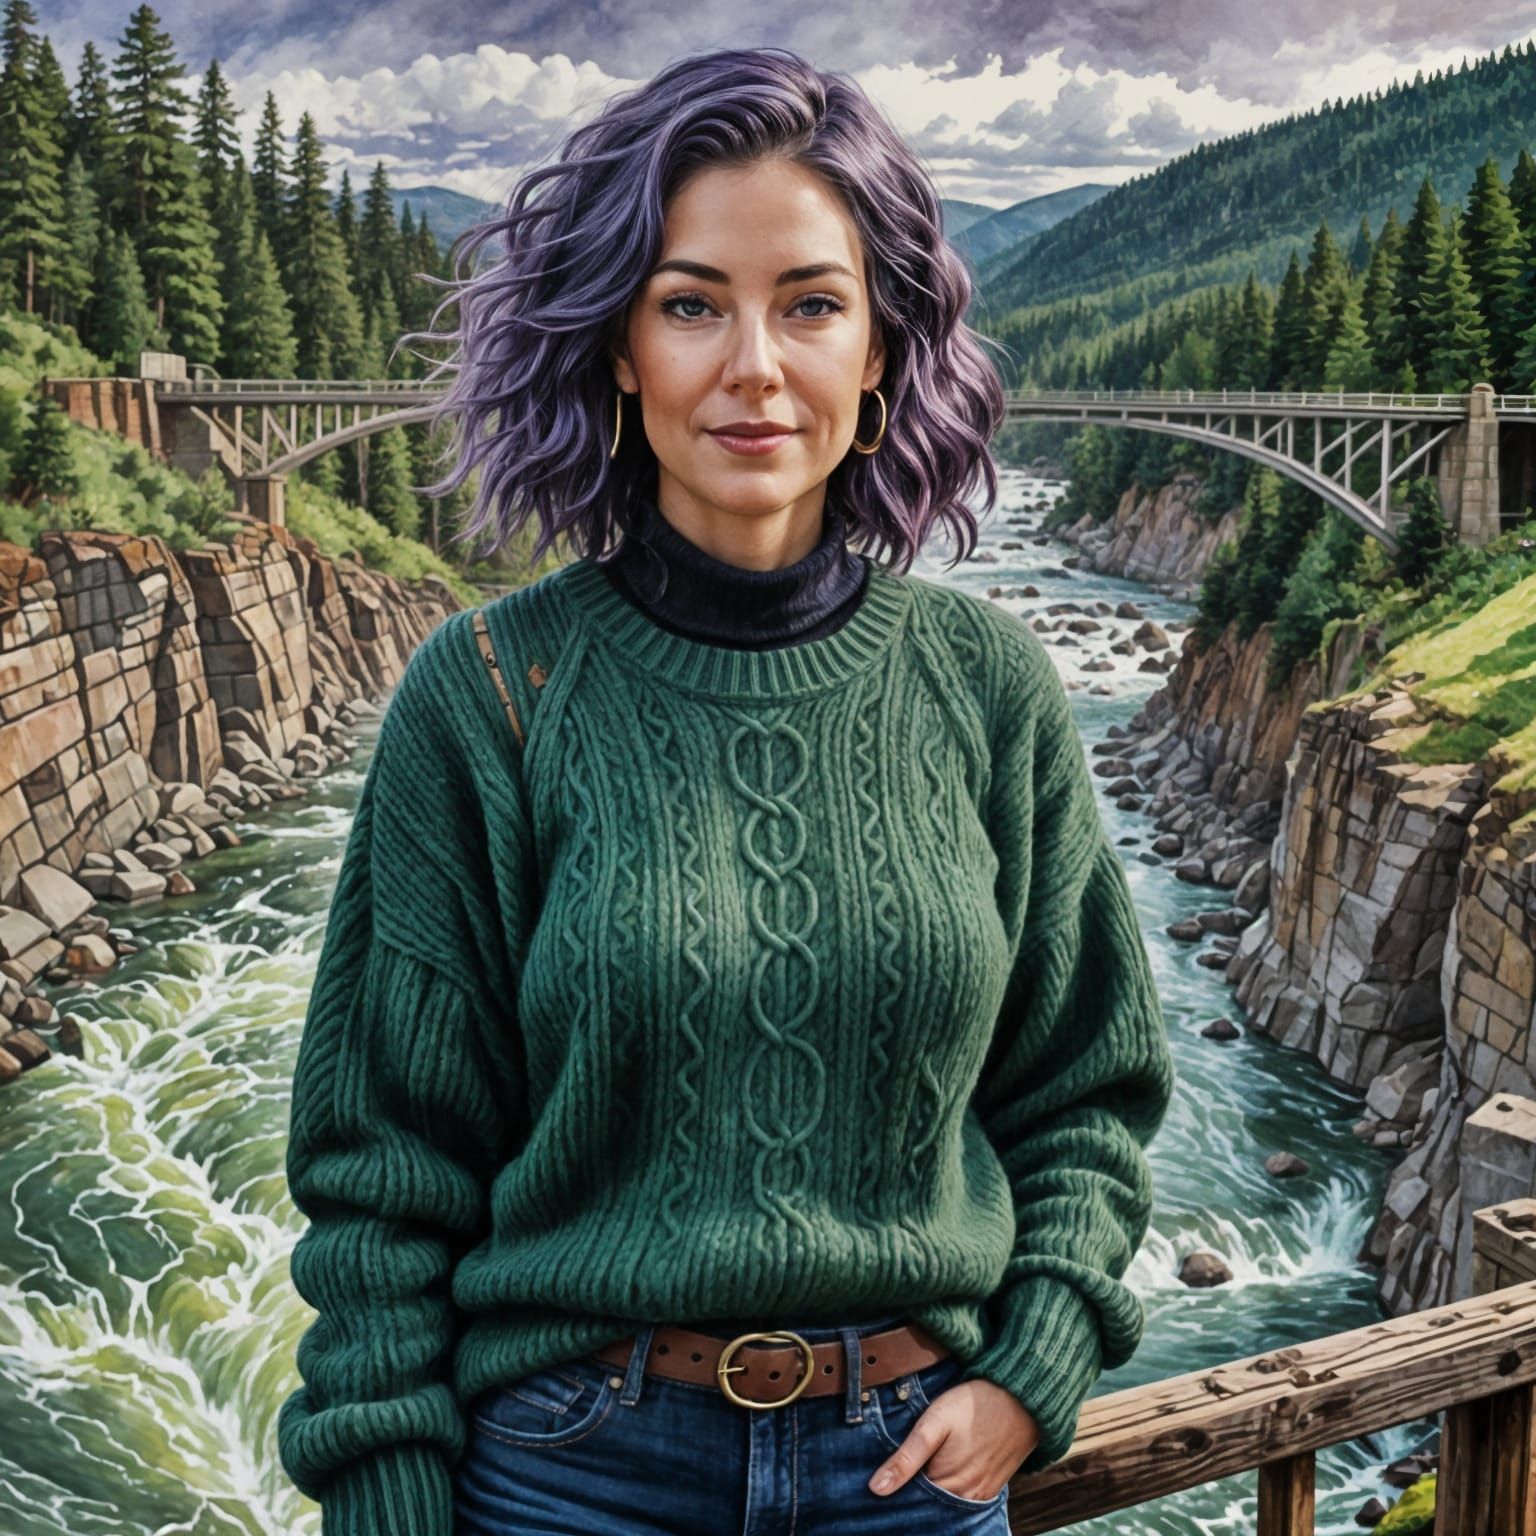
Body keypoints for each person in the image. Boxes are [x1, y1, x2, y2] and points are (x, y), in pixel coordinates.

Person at [276, 43, 1176, 1536]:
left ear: (882, 349)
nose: (755, 365)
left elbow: (1085, 1089)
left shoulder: (989, 685)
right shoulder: (494, 692)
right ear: (622, 350)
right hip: (570, 1469)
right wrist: (383, 1495)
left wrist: (1038, 1362)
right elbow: (382, 1168)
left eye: (812, 305)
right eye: (692, 304)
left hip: (910, 1471)